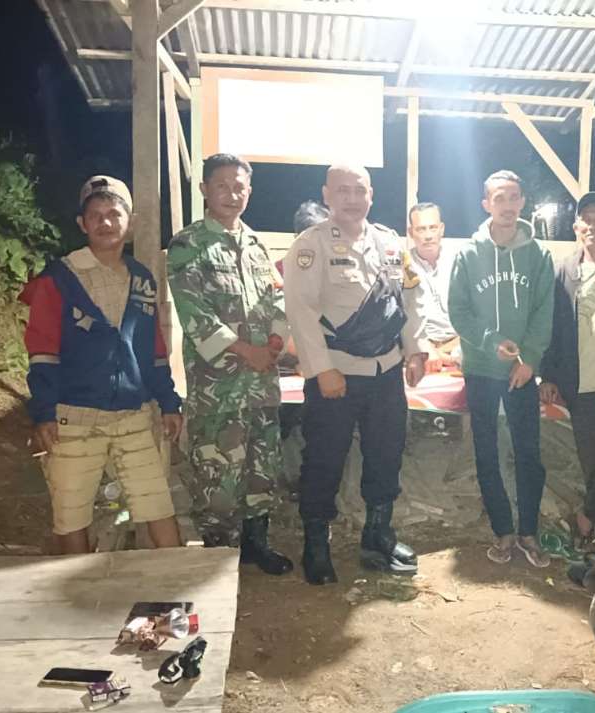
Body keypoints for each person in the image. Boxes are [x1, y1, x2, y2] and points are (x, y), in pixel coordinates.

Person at [22, 176, 183, 554]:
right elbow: (42, 350)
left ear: (131, 222)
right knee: (71, 516)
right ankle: (79, 585)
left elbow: (154, 349)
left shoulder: (142, 279)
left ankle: (176, 583)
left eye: (114, 213)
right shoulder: (59, 278)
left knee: (157, 504)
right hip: (74, 418)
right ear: (82, 224)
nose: (106, 222)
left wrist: (169, 401)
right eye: (95, 215)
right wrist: (43, 412)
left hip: (133, 415)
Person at [283, 165, 427, 585]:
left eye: (359, 190)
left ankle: (378, 535)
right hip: (336, 374)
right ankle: (316, 543)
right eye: (342, 190)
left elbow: (407, 300)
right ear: (327, 195)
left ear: (371, 194)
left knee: (386, 456)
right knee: (324, 460)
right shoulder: (310, 246)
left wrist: (415, 350)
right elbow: (301, 312)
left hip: (386, 372)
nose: (351, 198)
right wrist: (322, 369)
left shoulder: (389, 243)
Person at [167, 153, 293, 576]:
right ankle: (219, 557)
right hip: (218, 390)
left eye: (239, 187)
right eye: (221, 185)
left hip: (261, 385)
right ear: (205, 189)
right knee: (218, 474)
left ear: (249, 191)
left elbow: (278, 298)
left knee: (262, 468)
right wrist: (246, 350)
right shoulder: (188, 245)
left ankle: (257, 544)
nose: (231, 194)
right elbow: (195, 313)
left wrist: (274, 343)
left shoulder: (257, 245)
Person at [448, 170, 556, 567]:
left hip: (521, 372)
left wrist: (529, 359)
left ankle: (529, 531)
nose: (507, 205)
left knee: (528, 453)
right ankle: (502, 531)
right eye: (499, 198)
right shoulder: (468, 254)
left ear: (523, 202)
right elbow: (458, 310)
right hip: (480, 368)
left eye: (513, 197)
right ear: (486, 204)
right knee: (487, 452)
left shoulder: (539, 255)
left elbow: (544, 310)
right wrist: (491, 341)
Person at [539, 191, 595, 548]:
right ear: (575, 227)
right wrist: (548, 375)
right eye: (586, 218)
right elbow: (552, 326)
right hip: (582, 385)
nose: (593, 225)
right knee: (594, 464)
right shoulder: (564, 271)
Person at [407, 201, 460, 371]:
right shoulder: (403, 266)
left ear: (442, 229)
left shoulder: (460, 261)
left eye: (433, 228)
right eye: (421, 229)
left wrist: (456, 351)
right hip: (421, 349)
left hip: (460, 345)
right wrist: (426, 349)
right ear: (410, 233)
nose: (428, 235)